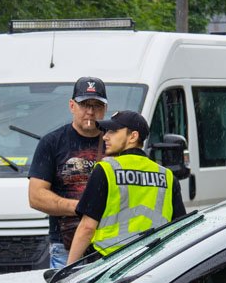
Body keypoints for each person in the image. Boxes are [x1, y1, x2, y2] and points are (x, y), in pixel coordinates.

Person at [66, 110, 187, 263]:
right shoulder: (167, 176)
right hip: (153, 264)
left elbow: (87, 228)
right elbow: (181, 228)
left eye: (113, 131)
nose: (105, 136)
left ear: (133, 136)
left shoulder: (106, 170)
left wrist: (67, 270)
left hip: (108, 265)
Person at [28, 77, 108, 269]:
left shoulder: (116, 141)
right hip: (66, 244)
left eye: (96, 105)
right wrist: (84, 208)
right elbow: (36, 197)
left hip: (110, 244)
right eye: (84, 104)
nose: (90, 111)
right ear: (72, 106)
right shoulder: (52, 143)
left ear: (105, 109)